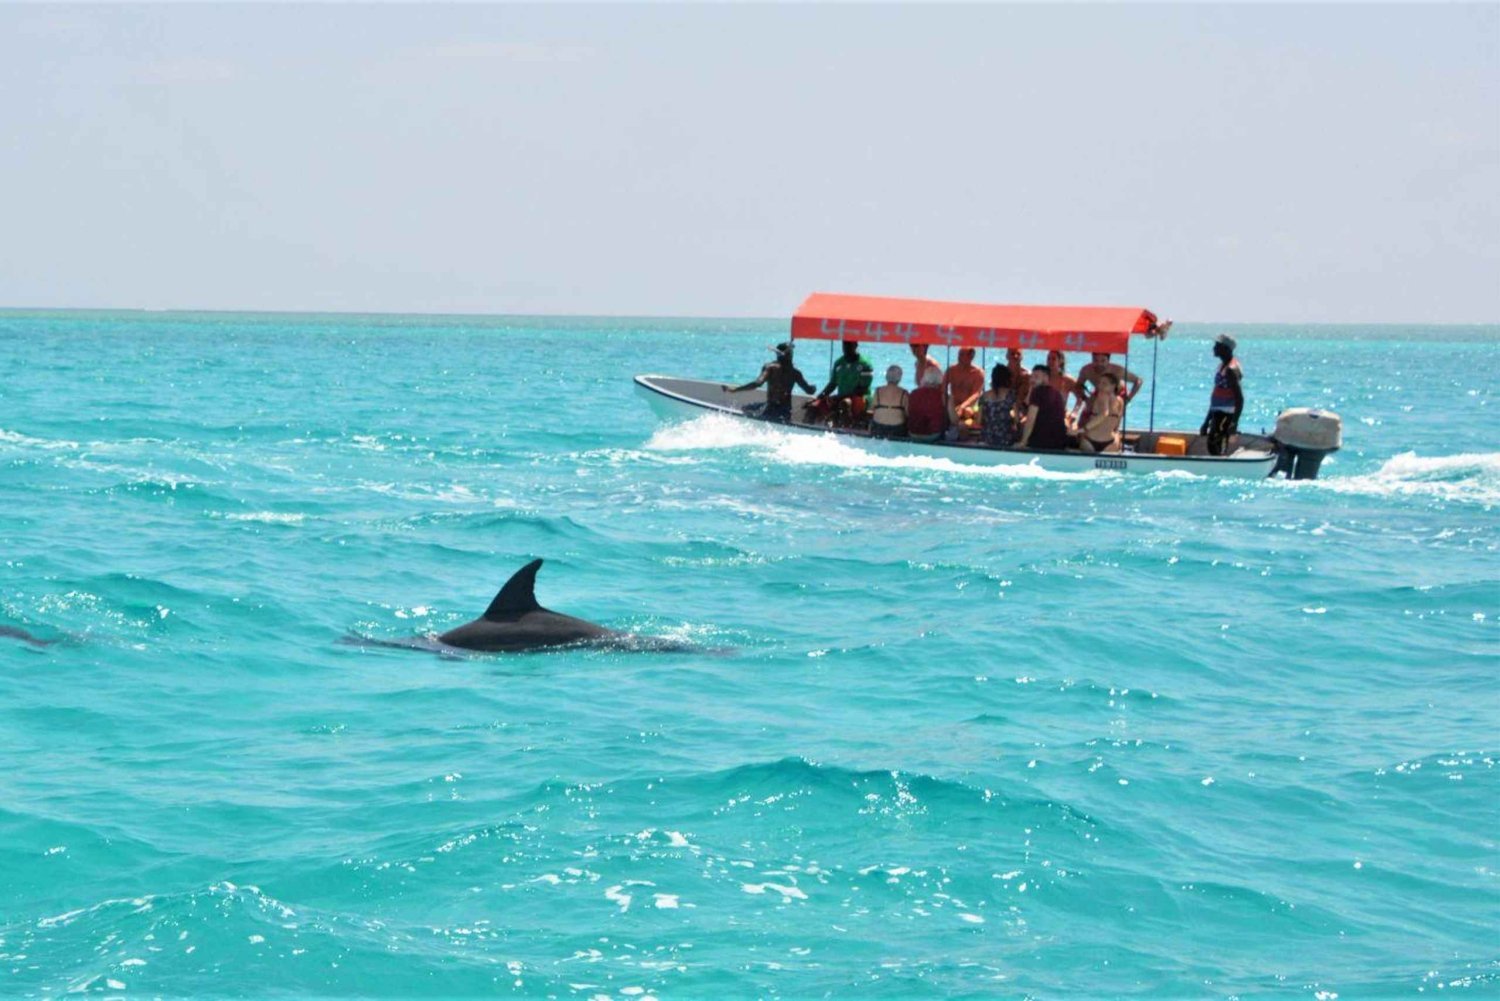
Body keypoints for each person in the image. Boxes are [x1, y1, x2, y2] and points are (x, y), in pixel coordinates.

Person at [724, 342, 816, 423]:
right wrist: (813, 387)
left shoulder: (770, 368)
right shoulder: (795, 373)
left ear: (777, 354)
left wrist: (734, 390)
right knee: (752, 408)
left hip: (770, 409)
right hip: (786, 412)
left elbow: (757, 383)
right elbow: (810, 391)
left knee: (746, 408)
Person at [809, 340, 874, 426]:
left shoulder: (865, 364)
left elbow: (862, 389)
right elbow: (832, 384)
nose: (846, 348)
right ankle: (809, 430)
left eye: (849, 345)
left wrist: (839, 397)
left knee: (845, 403)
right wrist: (818, 398)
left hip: (860, 399)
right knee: (814, 405)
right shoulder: (839, 363)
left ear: (855, 345)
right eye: (844, 345)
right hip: (841, 397)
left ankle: (844, 432)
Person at [1200, 334, 1244, 456]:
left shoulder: (1231, 369)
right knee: (1213, 444)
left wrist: (1234, 423)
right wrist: (1207, 421)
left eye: (1217, 346)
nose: (1214, 348)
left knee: (1216, 445)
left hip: (1226, 413)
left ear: (1225, 349)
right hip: (1217, 411)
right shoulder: (1221, 367)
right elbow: (1216, 396)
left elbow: (1239, 398)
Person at [1017, 364, 1071, 451]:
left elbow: (1031, 419)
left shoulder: (1038, 393)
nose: (1032, 379)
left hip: (1041, 443)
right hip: (1060, 443)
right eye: (1031, 377)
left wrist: (1023, 442)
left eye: (1036, 377)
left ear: (1046, 378)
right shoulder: (1056, 393)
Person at [1076, 372, 1124, 452]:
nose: (1100, 386)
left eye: (1104, 383)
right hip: (1111, 442)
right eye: (1099, 383)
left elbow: (1104, 414)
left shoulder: (1101, 396)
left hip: (1090, 440)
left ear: (1113, 386)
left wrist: (1082, 430)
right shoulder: (1120, 401)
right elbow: (1117, 425)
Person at [943, 347, 986, 429]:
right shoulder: (951, 370)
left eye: (962, 355)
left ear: (971, 357)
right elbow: (943, 389)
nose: (959, 357)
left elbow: (976, 394)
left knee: (968, 411)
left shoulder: (978, 373)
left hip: (969, 407)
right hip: (953, 406)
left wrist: (962, 406)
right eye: (959, 354)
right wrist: (946, 403)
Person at [977, 363, 1017, 449]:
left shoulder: (984, 396)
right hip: (1005, 438)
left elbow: (978, 420)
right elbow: (1017, 419)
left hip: (987, 437)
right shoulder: (1011, 395)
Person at [1077, 353, 1142, 405]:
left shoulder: (1117, 370)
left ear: (1108, 361)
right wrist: (1085, 399)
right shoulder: (1086, 370)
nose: (1099, 364)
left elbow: (1138, 381)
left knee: (1109, 418)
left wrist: (1128, 399)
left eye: (1103, 361)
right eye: (1095, 360)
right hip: (1099, 393)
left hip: (1118, 394)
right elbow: (1078, 385)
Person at [907, 367, 946, 442]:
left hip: (913, 433)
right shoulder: (943, 396)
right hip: (933, 434)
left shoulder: (913, 393)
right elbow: (954, 420)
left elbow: (908, 412)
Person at [869, 365, 909, 438]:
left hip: (878, 426)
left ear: (886, 377)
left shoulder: (878, 391)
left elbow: (871, 408)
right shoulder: (904, 393)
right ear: (900, 378)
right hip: (897, 428)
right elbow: (907, 413)